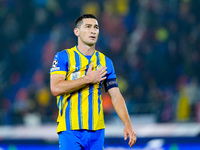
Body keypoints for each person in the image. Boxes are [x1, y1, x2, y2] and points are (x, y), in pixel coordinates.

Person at [50, 14, 136, 150]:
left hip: (97, 131)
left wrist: (127, 123)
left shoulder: (105, 62)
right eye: (88, 27)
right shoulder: (63, 57)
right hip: (70, 130)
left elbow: (116, 96)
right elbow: (55, 88)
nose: (93, 30)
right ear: (76, 32)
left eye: (96, 27)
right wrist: (87, 79)